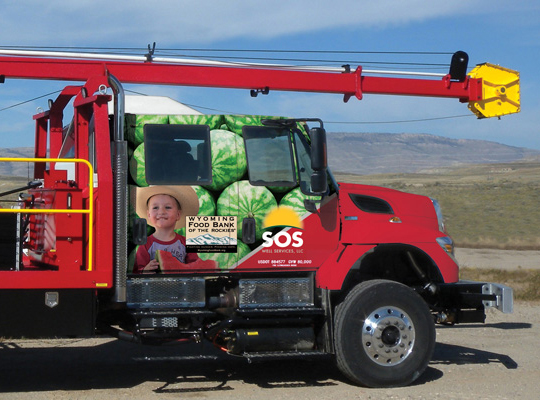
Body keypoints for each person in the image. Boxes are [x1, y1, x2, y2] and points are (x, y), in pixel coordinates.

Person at [133, 185, 200, 273]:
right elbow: (136, 273)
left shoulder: (186, 243)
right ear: (149, 215)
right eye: (155, 208)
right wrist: (145, 270)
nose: (161, 212)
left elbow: (195, 268)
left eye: (168, 207)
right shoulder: (144, 245)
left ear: (178, 215)